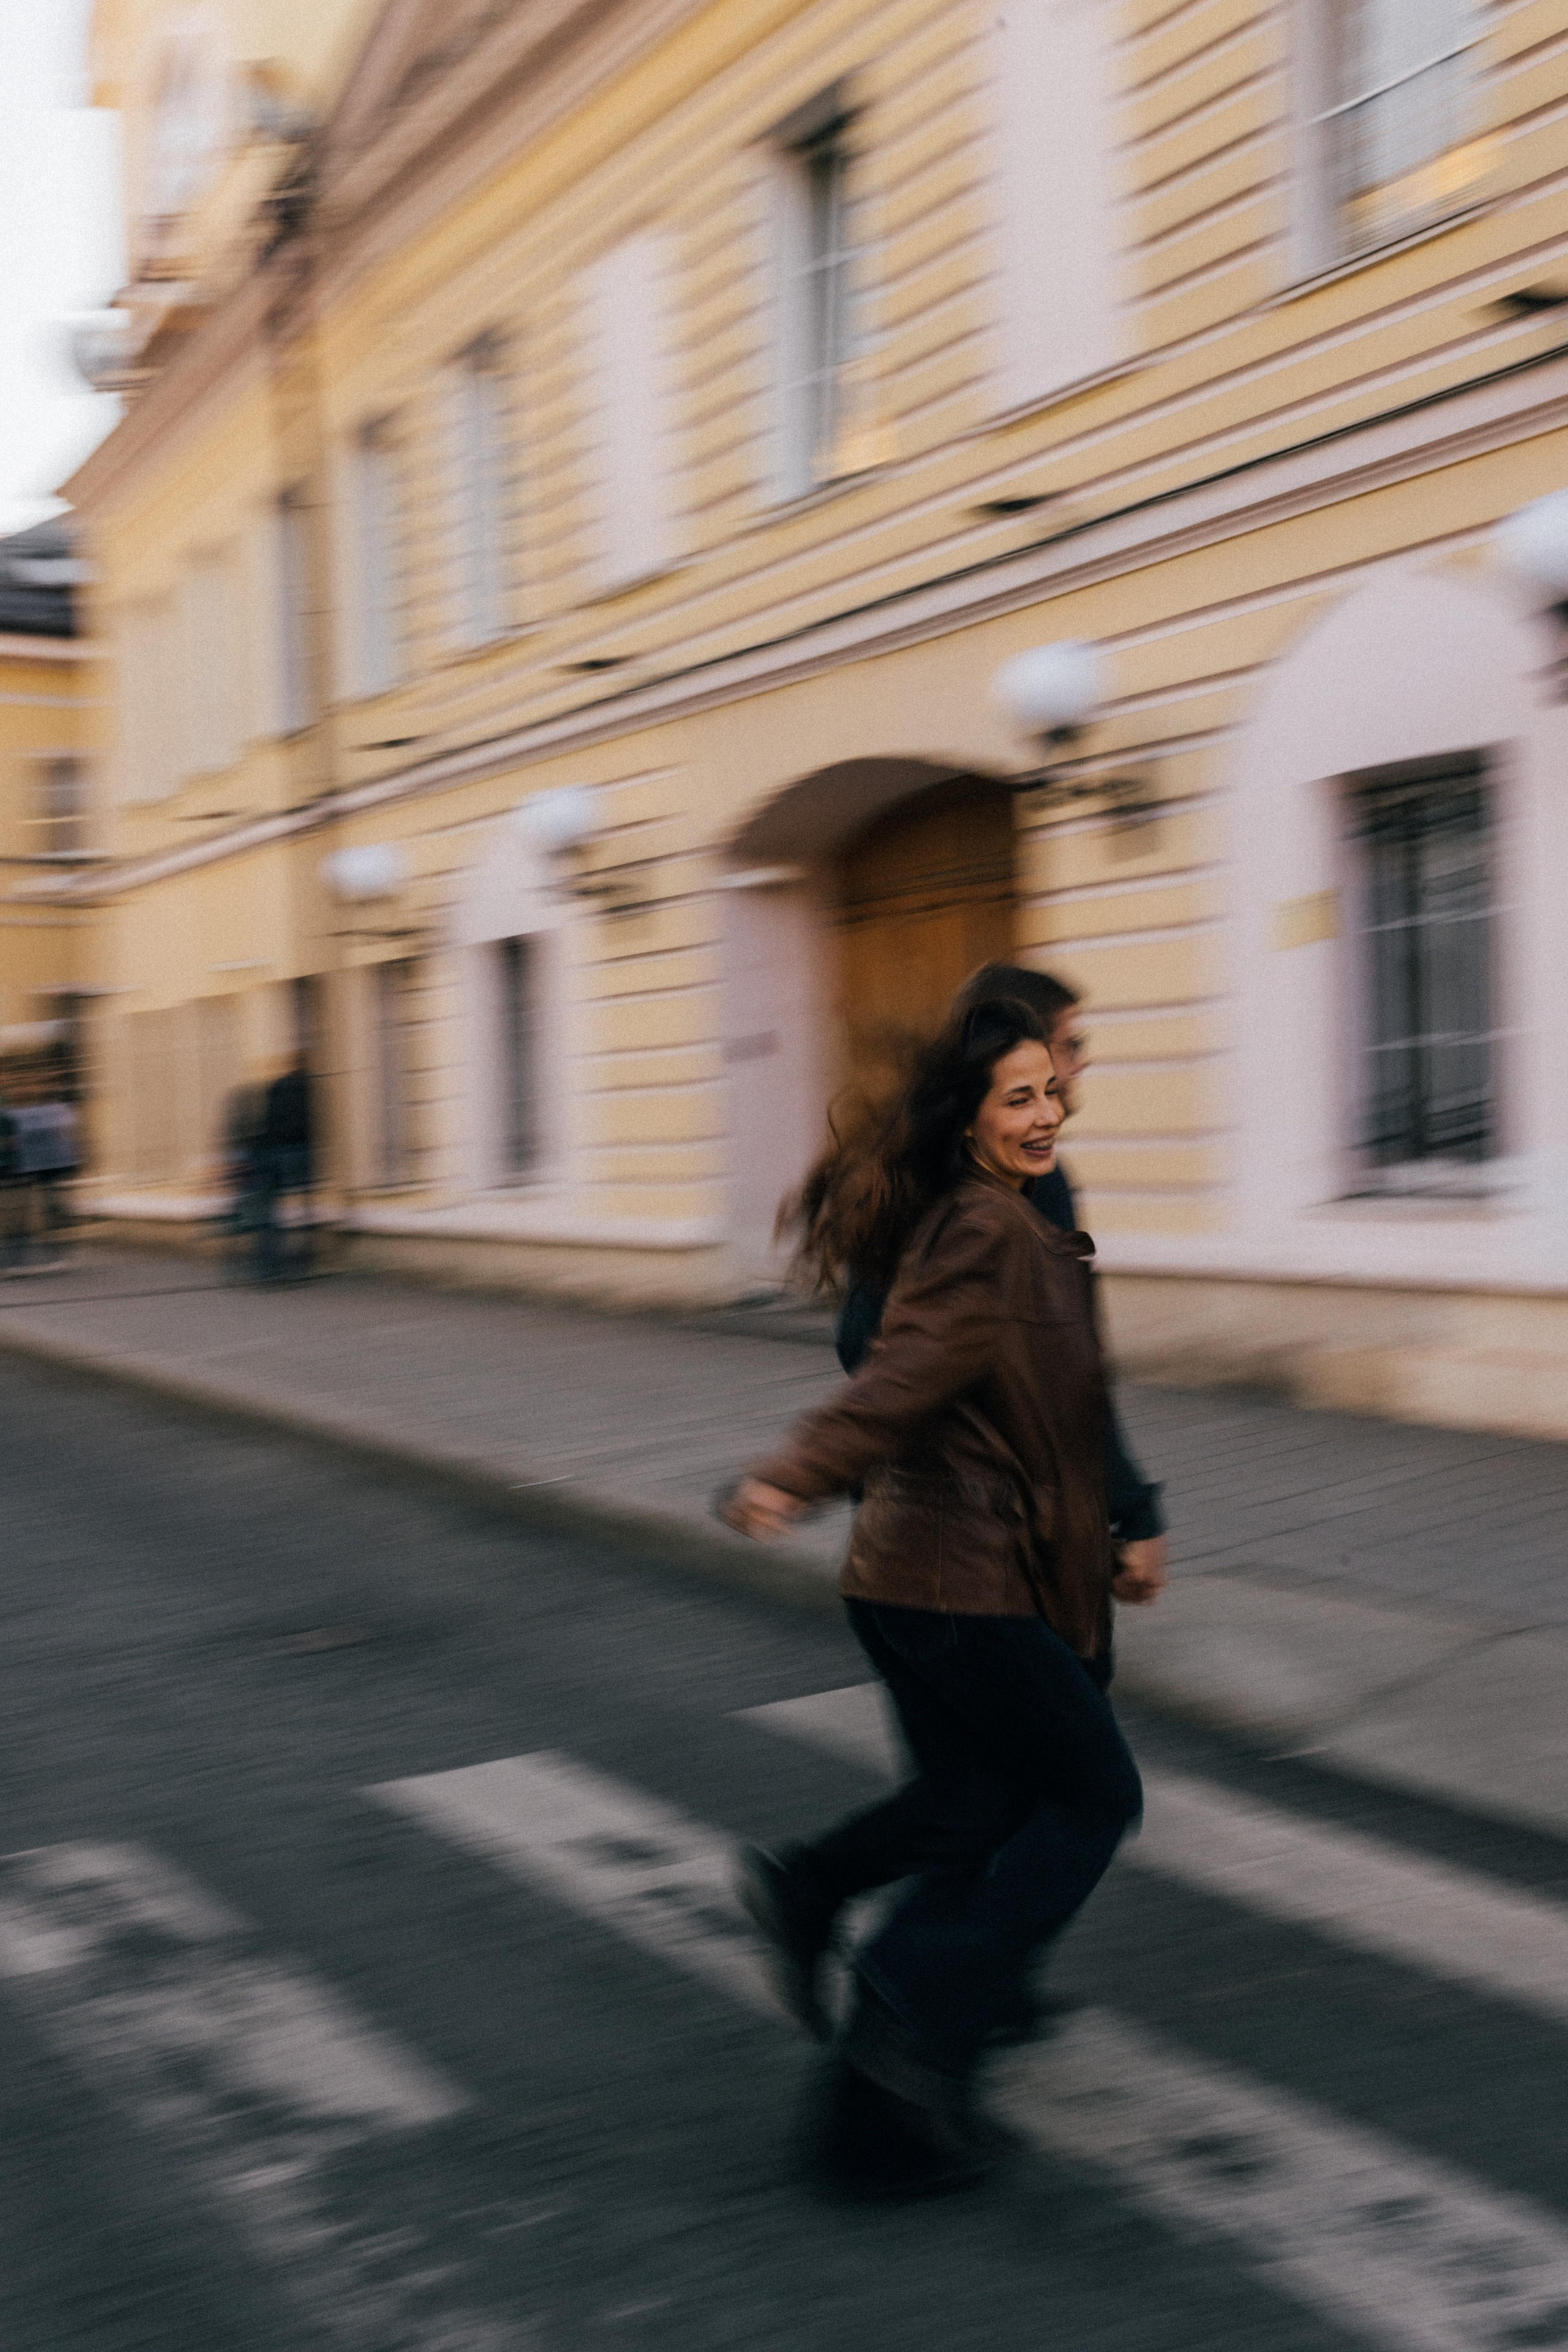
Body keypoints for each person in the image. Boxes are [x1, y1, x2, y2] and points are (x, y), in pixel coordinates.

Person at [723, 997, 1164, 2197]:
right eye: (1017, 1092)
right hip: (963, 1581)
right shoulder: (985, 1230)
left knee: (974, 1806)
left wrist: (1119, 1514)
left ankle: (879, 2128)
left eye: (1050, 1089)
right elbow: (901, 1371)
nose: (1048, 1108)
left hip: (931, 1576)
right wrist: (791, 1474)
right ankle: (908, 1995)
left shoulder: (1003, 1217)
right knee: (1089, 1797)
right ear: (968, 1114)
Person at [252, 1054, 315, 1284]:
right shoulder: (310, 1088)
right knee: (305, 1210)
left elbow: (266, 1121)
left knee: (271, 1215)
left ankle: (271, 1268)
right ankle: (303, 1263)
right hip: (301, 1153)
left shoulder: (276, 1087)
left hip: (274, 1155)